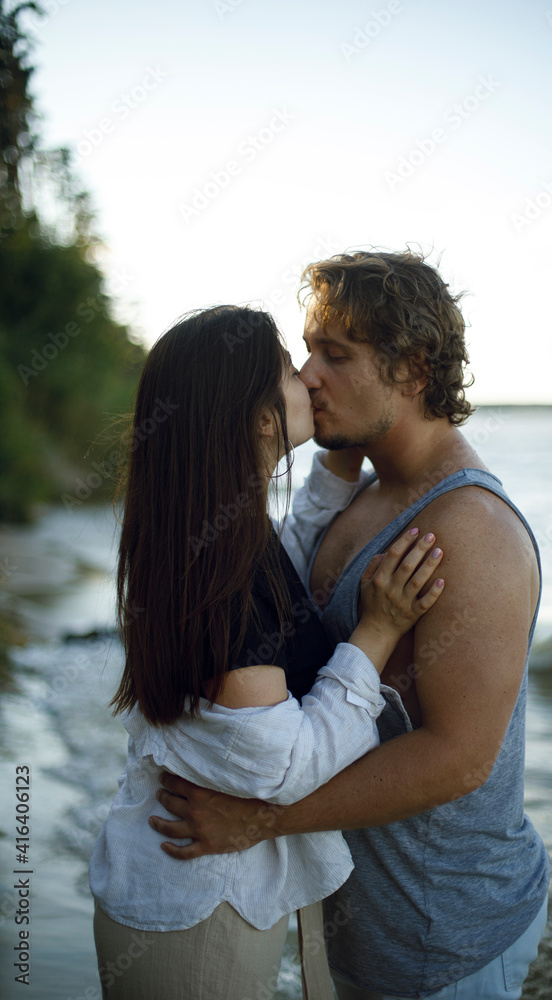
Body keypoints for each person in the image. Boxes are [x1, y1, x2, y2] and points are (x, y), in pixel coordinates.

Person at [149, 252, 551, 1000]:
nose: (306, 376)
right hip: (353, 929)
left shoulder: (471, 531)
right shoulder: (360, 493)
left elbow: (459, 759)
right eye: (306, 351)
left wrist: (260, 821)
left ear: (412, 369)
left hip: (444, 936)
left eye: (335, 355)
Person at [88, 304, 447, 1000]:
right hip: (195, 917)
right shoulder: (221, 584)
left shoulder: (203, 528)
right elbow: (286, 768)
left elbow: (300, 528)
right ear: (259, 420)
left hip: (175, 888)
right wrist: (376, 632)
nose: (310, 378)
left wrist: (345, 444)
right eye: (290, 370)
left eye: (325, 361)